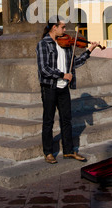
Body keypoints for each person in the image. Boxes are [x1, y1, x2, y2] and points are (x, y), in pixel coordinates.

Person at [36, 16, 99, 164]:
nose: (65, 30)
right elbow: (44, 69)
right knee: (48, 121)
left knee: (66, 120)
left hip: (64, 87)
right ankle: (48, 152)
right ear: (54, 27)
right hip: (49, 87)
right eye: (63, 27)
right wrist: (62, 74)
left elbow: (74, 63)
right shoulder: (43, 44)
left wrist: (89, 51)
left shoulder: (65, 44)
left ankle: (69, 151)